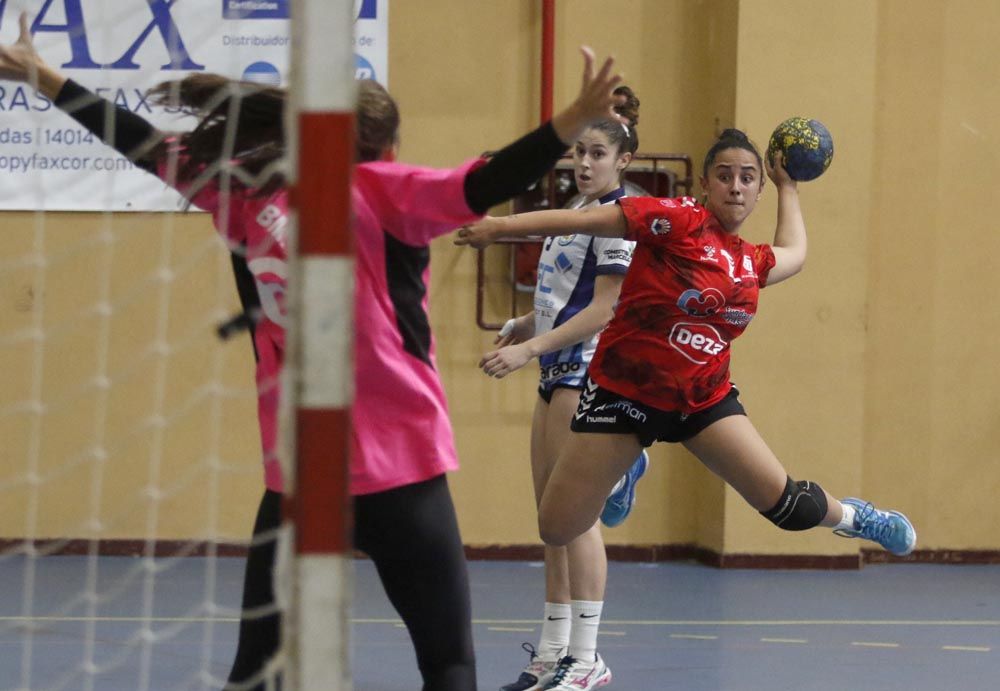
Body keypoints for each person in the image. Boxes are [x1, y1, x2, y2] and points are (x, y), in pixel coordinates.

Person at [0, 13, 626, 691]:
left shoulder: (238, 191)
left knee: (256, 668)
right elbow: (487, 180)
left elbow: (146, 144)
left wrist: (50, 78)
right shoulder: (383, 191)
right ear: (381, 146)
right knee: (447, 662)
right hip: (403, 472)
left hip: (300, 476)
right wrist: (568, 122)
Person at [456, 129, 917, 614]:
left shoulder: (747, 262)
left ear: (758, 190)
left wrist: (790, 187)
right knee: (556, 526)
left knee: (787, 507)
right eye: (724, 176)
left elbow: (795, 255)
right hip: (625, 395)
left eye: (747, 178)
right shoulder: (676, 220)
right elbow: (588, 220)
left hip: (702, 401)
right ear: (704, 184)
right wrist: (497, 228)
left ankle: (856, 517)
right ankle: (623, 471)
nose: (735, 187)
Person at [485, 86, 647, 691]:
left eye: (597, 153)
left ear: (622, 160)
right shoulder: (573, 211)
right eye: (579, 151)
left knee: (577, 521)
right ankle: (552, 652)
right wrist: (523, 326)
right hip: (554, 365)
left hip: (588, 371)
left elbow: (605, 308)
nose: (584, 162)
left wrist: (529, 348)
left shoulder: (621, 216)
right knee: (549, 519)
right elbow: (564, 300)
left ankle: (587, 656)